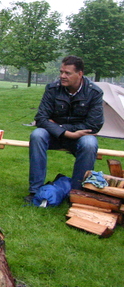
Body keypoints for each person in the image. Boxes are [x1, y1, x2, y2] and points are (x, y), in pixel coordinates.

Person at [26, 55, 103, 202]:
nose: (62, 76)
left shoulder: (94, 93)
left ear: (80, 74)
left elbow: (94, 125)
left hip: (78, 137)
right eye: (61, 72)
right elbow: (41, 118)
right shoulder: (52, 89)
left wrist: (59, 127)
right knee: (37, 135)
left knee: (89, 143)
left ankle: (77, 194)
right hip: (56, 135)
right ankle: (34, 191)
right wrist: (66, 132)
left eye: (67, 73)